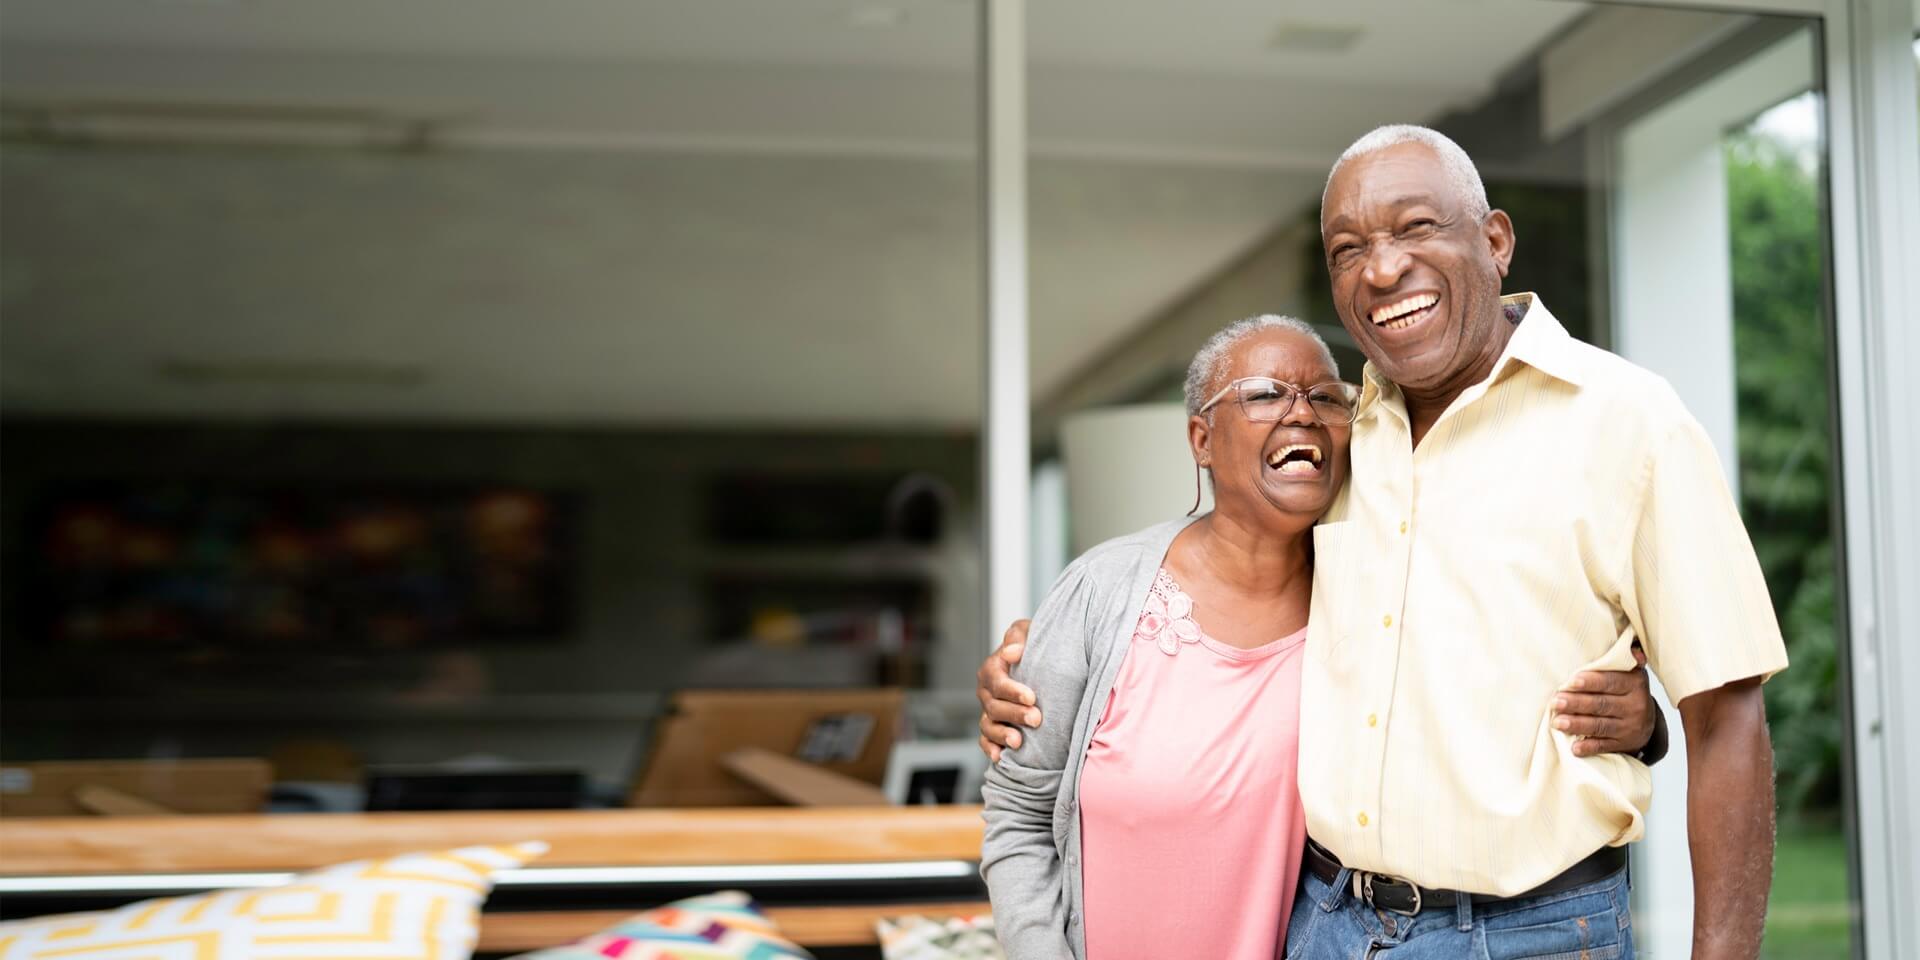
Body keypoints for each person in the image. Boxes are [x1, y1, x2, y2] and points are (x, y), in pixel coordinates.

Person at [980, 124, 1787, 959]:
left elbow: (1728, 719)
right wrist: (1051, 652)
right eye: (1347, 248)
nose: (1381, 267)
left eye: (1416, 227)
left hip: (1529, 934)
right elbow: (1229, 573)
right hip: (1326, 923)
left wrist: (1649, 727)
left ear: (1496, 240)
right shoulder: (1344, 436)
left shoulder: (1630, 421)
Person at [981, 315, 1661, 960]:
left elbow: (1494, 674)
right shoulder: (1102, 592)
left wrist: (1644, 722)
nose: (1301, 411)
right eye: (1265, 393)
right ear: (1201, 438)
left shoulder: (1370, 599)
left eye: (1327, 398)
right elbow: (1018, 811)